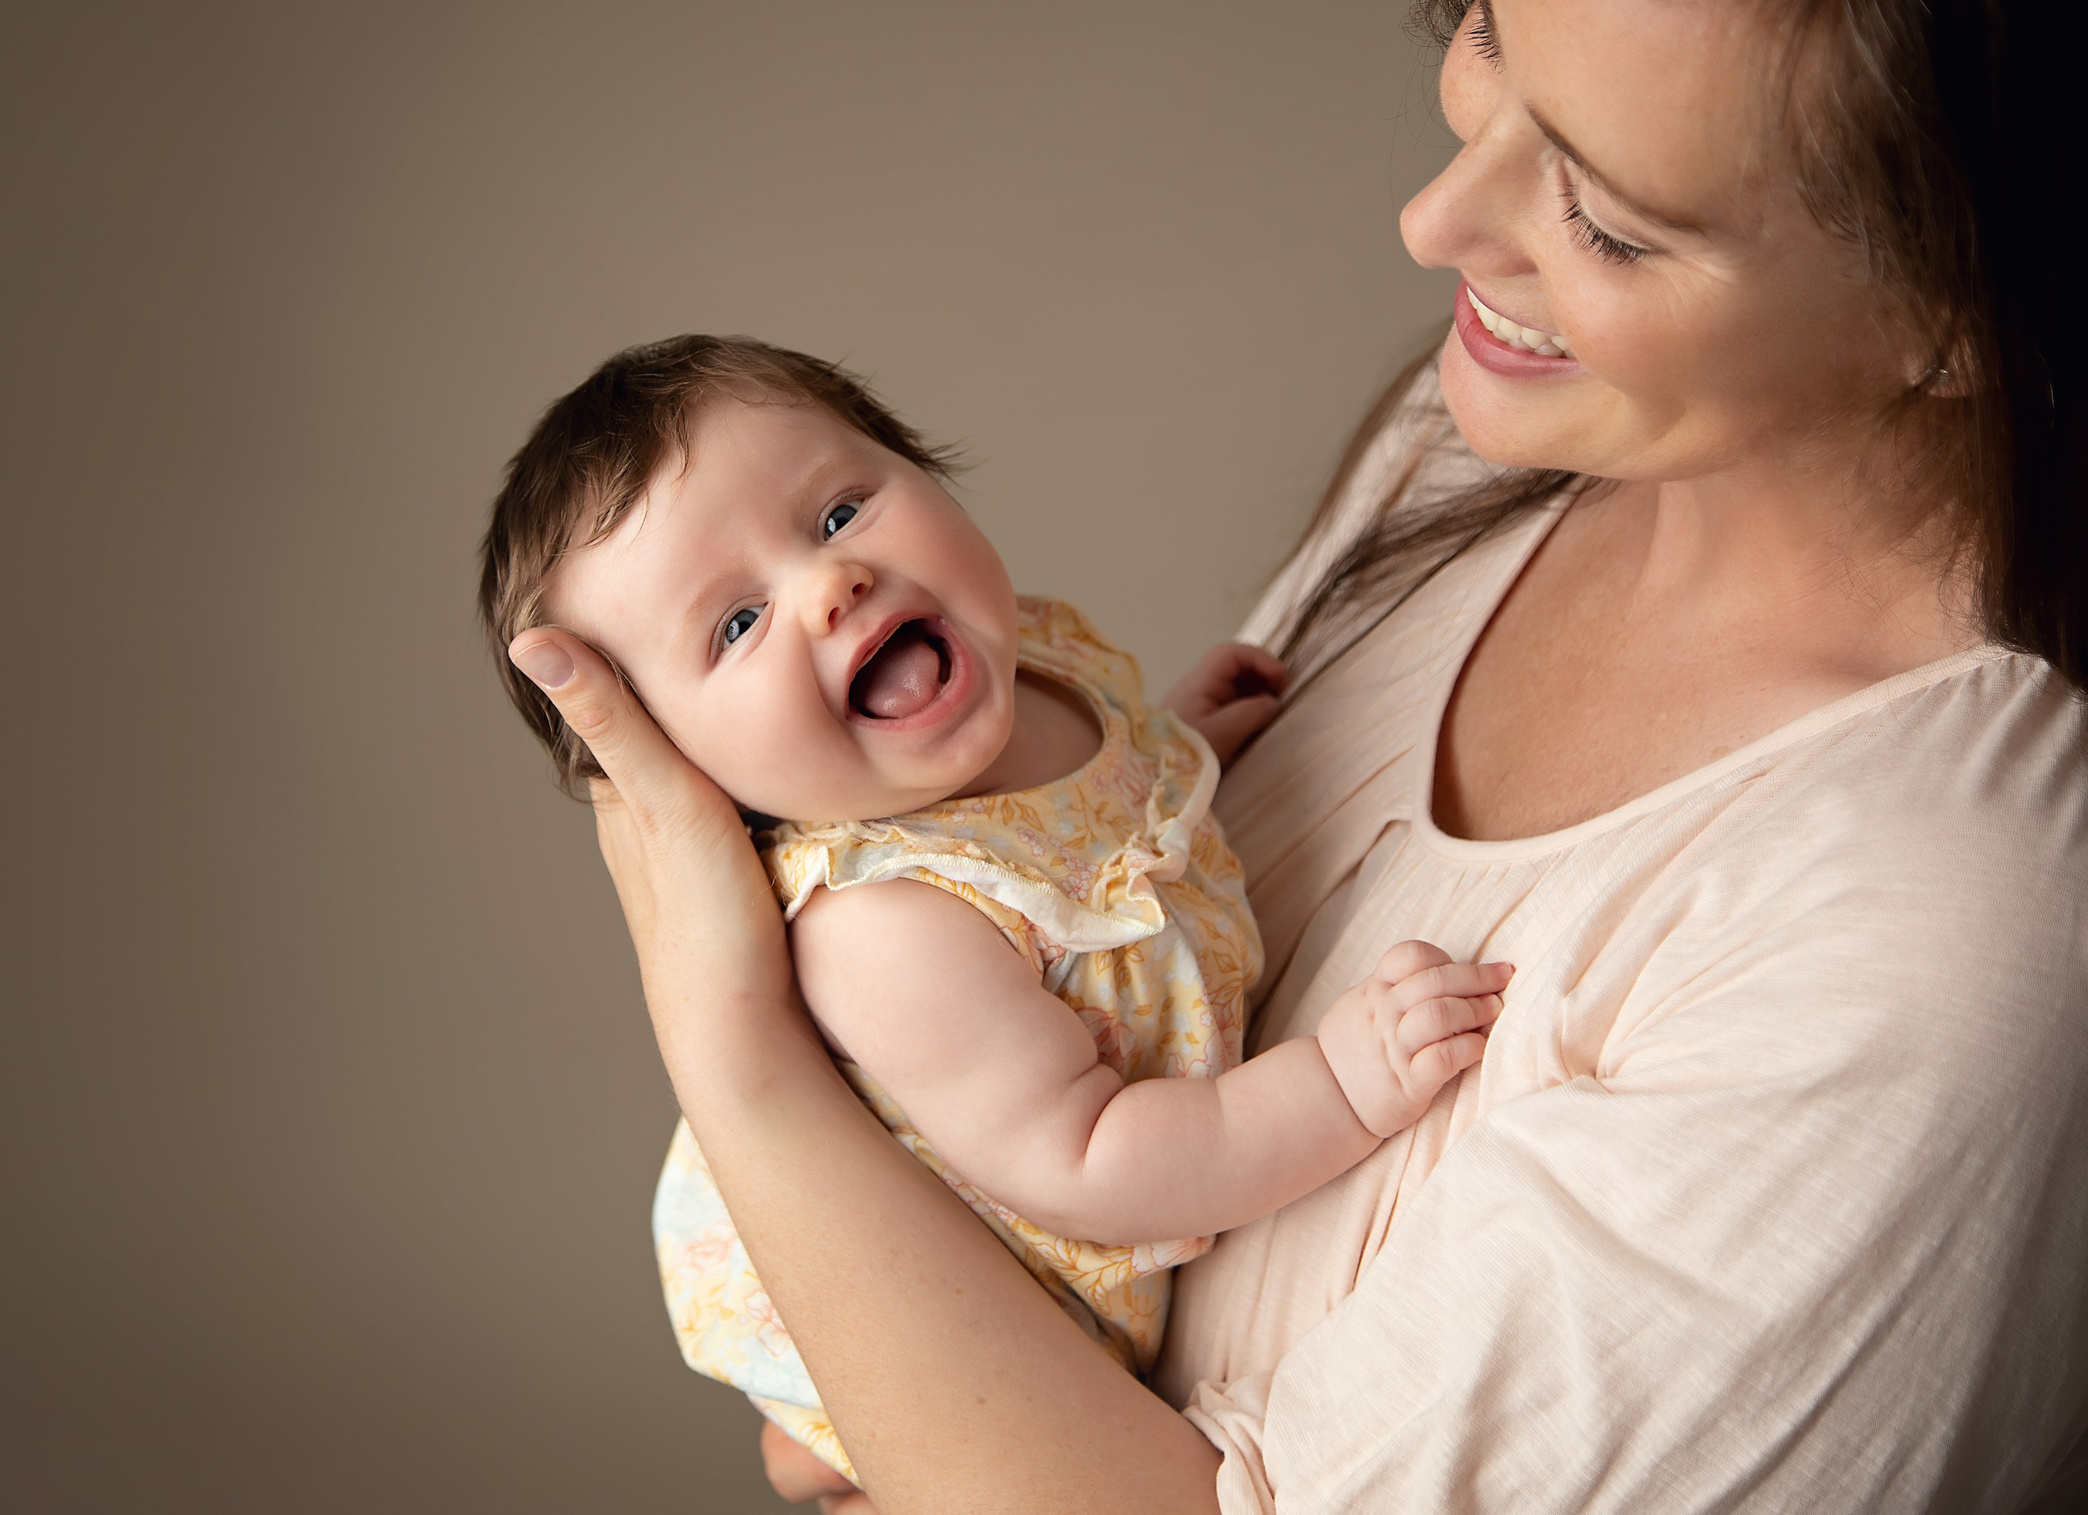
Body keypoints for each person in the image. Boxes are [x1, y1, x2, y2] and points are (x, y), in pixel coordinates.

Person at [506, 0, 2088, 1507]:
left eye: (1612, 221)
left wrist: (738, 1058)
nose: (1432, 224)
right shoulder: (1481, 433)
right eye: (1484, 36)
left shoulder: (1918, 942)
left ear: (1959, 312)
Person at [476, 335, 1512, 1482]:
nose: (831, 586)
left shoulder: (1037, 660)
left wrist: (1174, 740)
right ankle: (823, 1443)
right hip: (980, 1289)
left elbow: (1091, 845)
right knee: (849, 1441)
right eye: (734, 625)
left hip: (1035, 1157)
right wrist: (1341, 1085)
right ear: (689, 774)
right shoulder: (891, 928)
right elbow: (1091, 1159)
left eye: (835, 514)